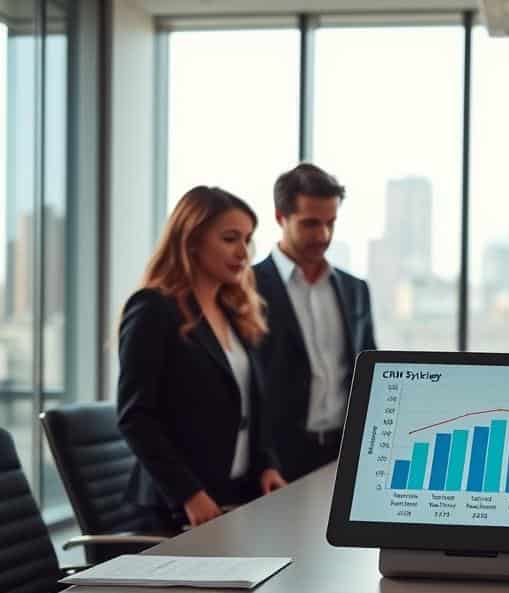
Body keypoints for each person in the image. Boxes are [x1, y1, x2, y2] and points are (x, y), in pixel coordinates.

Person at [118, 186, 287, 532]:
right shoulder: (153, 308)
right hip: (177, 510)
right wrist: (189, 493)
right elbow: (136, 415)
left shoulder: (234, 313)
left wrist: (267, 465)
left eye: (247, 239)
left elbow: (251, 405)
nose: (243, 252)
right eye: (229, 238)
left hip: (235, 496)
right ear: (192, 239)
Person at [254, 164, 377, 481]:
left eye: (330, 223)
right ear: (281, 217)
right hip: (276, 459)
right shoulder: (247, 288)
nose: (323, 235)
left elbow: (368, 369)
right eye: (310, 224)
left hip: (343, 452)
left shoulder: (355, 290)